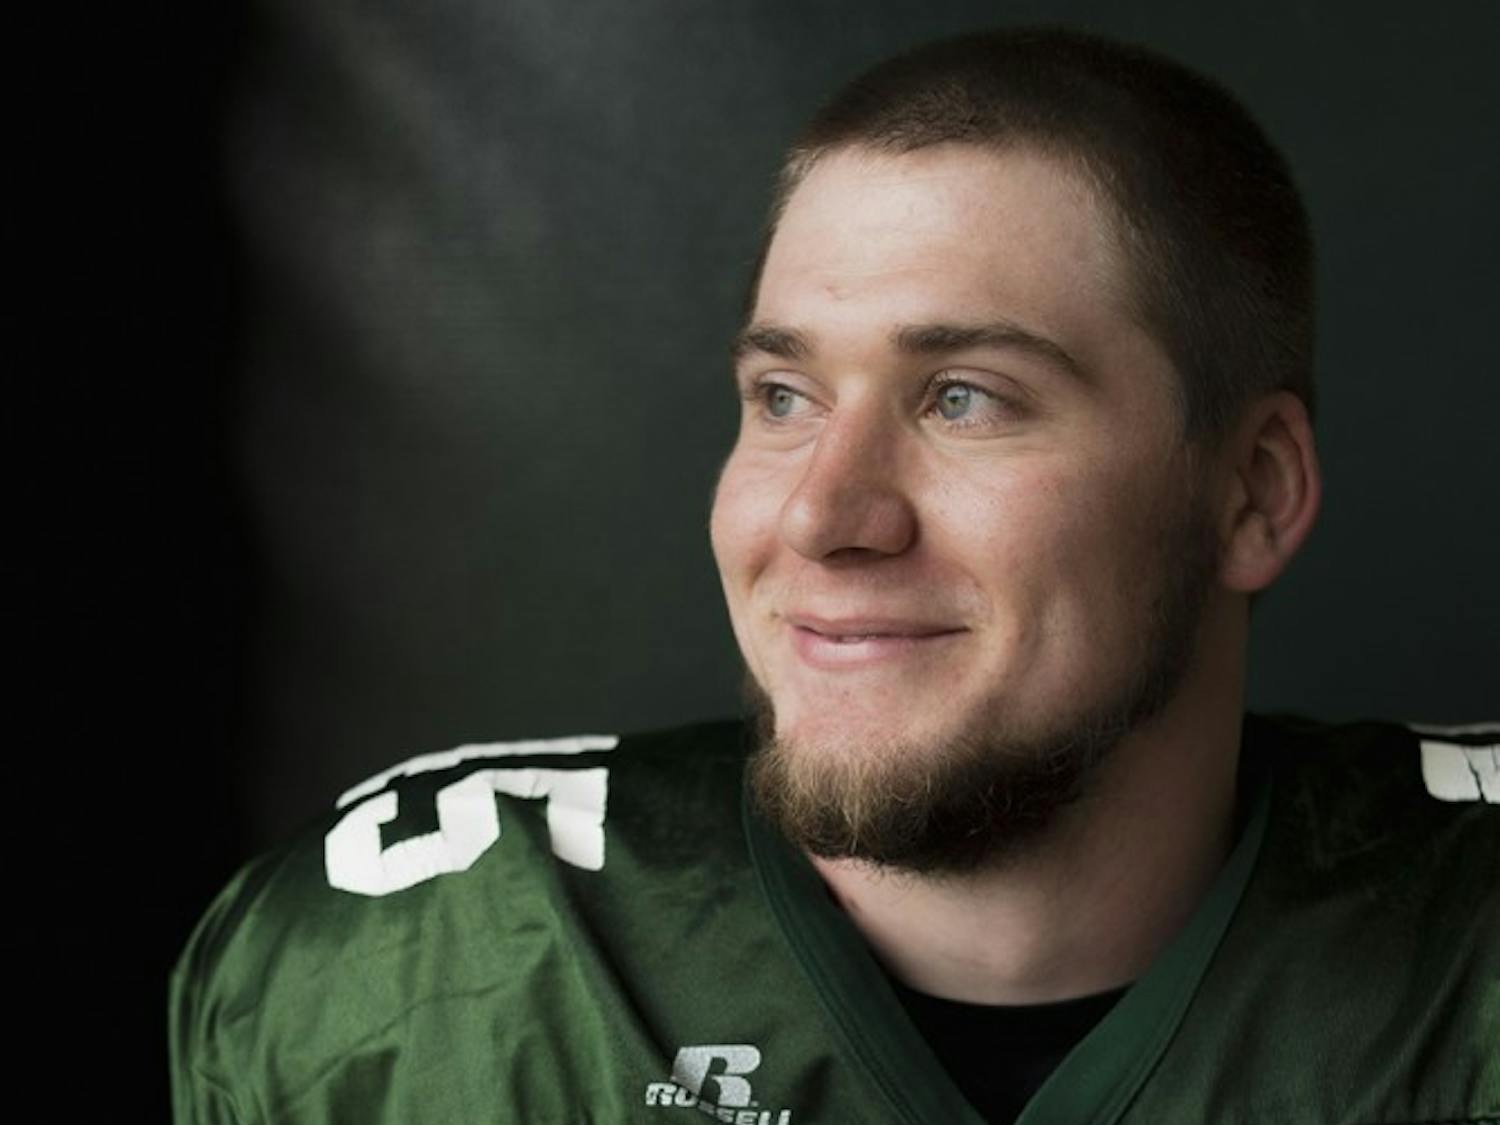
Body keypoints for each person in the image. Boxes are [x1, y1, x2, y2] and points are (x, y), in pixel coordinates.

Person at [171, 27, 1498, 1125]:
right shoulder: (425, 982)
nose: (819, 512)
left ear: (1254, 492)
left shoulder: (1461, 960)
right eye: (785, 394)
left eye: (967, 398)